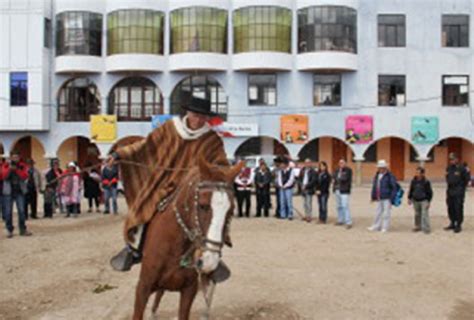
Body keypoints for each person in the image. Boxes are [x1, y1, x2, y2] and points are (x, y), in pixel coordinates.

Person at [109, 95, 229, 272]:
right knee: (143, 208)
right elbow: (145, 145)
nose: (199, 120)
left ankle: (214, 257)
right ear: (188, 113)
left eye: (204, 117)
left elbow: (221, 163)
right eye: (196, 115)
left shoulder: (211, 139)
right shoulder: (169, 129)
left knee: (214, 214)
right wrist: (119, 154)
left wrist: (222, 171)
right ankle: (134, 248)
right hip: (164, 184)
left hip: (192, 190)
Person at [1, 152, 32, 238]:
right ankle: (9, 230)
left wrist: (17, 170)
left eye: (16, 157)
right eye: (13, 157)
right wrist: (10, 169)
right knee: (8, 212)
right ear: (10, 158)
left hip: (19, 192)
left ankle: (22, 229)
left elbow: (25, 176)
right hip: (8, 192)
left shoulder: (22, 165)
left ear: (19, 158)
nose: (15, 159)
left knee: (22, 211)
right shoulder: (6, 165)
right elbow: (3, 177)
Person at [368, 160, 397, 233]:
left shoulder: (390, 176)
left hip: (387, 197)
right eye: (379, 168)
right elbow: (375, 186)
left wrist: (392, 198)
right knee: (378, 212)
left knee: (386, 213)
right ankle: (376, 226)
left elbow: (394, 188)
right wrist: (373, 197)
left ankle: (385, 227)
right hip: (379, 196)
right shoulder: (377, 175)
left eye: (381, 167)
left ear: (385, 168)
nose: (380, 169)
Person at [445, 153, 470, 233]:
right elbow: (447, 177)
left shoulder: (462, 168)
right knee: (450, 207)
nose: (451, 161)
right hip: (450, 190)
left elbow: (467, 179)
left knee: (458, 208)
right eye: (450, 159)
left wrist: (462, 188)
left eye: (453, 159)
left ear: (457, 159)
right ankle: (452, 223)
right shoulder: (449, 168)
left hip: (458, 191)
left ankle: (458, 225)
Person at [408, 167, 433, 234]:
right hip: (415, 200)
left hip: (424, 200)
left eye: (418, 173)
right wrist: (409, 198)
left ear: (422, 174)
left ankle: (426, 228)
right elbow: (411, 190)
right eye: (416, 172)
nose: (417, 174)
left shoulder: (426, 182)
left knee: (424, 214)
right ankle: (418, 226)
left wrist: (428, 201)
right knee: (417, 214)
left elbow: (430, 192)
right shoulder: (413, 181)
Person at [333, 159, 353, 229]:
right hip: (337, 190)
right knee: (338, 206)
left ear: (345, 163)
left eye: (342, 163)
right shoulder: (337, 170)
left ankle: (348, 222)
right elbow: (334, 177)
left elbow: (345, 179)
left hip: (344, 190)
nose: (341, 164)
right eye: (340, 163)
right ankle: (340, 220)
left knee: (345, 206)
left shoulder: (348, 170)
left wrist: (338, 178)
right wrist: (337, 178)